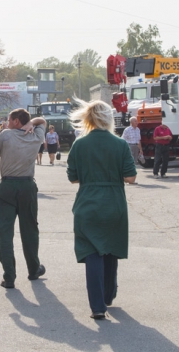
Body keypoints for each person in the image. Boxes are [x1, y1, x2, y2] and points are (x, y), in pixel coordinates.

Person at [66, 100, 137, 319]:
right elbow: (130, 177)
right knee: (110, 248)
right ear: (109, 118)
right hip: (114, 202)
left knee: (92, 252)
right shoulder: (120, 144)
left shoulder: (79, 144)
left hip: (87, 202)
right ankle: (109, 294)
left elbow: (72, 177)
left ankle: (97, 307)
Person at [0, 108, 47, 289]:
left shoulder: (6, 135)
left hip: (7, 187)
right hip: (27, 186)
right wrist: (32, 123)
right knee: (30, 230)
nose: (7, 123)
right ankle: (34, 269)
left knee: (4, 232)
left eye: (10, 120)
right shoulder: (36, 135)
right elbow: (43, 121)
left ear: (17, 121)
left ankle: (9, 275)